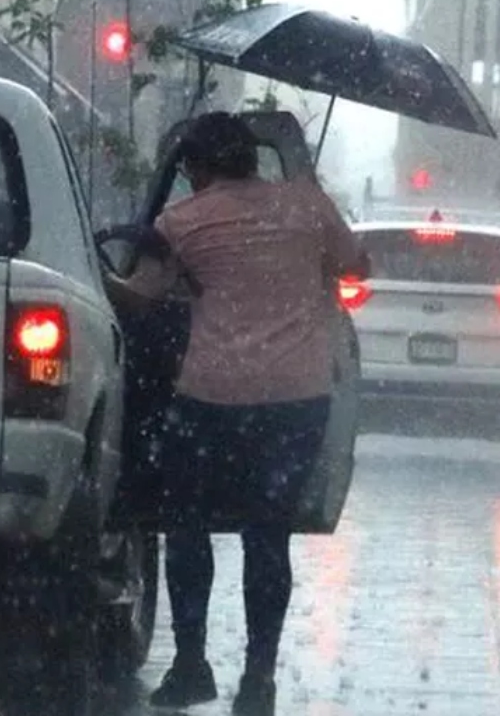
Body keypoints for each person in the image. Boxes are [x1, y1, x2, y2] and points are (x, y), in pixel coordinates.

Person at [104, 111, 367, 716]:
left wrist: (98, 271)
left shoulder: (182, 221)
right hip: (297, 402)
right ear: (253, 159)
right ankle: (259, 679)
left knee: (187, 530)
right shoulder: (308, 206)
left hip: (210, 400)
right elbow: (357, 266)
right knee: (267, 539)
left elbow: (140, 299)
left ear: (197, 168)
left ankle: (192, 663)